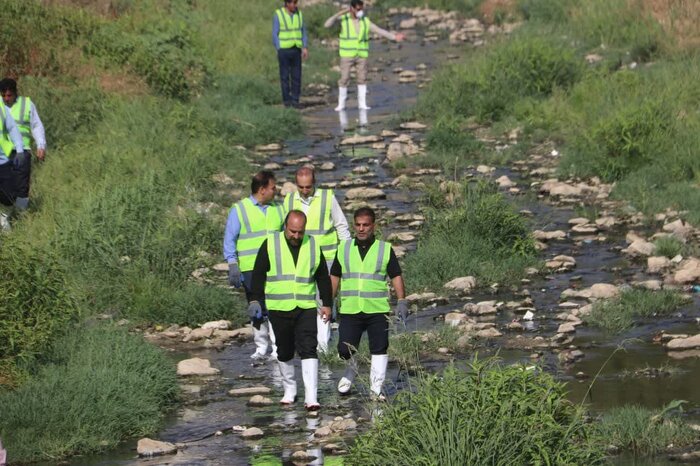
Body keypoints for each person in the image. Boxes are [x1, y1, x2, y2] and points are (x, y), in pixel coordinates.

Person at [249, 210, 333, 410]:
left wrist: (327, 304)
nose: (296, 236)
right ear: (285, 227)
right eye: (292, 231)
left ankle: (311, 397)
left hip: (305, 307)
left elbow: (322, 276)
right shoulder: (270, 244)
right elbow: (258, 274)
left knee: (308, 347)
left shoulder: (312, 244)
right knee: (284, 350)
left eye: (300, 232)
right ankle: (290, 389)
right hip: (279, 307)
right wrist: (255, 300)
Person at [330, 207, 408, 400]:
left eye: (366, 225)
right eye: (358, 225)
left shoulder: (384, 249)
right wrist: (328, 302)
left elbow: (396, 275)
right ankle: (352, 369)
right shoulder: (344, 248)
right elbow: (334, 277)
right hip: (350, 308)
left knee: (379, 347)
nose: (361, 229)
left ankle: (376, 389)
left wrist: (402, 300)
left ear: (374, 226)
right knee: (344, 349)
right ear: (353, 225)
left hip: (377, 309)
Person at [283, 167, 350, 352]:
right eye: (301, 187)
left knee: (324, 299)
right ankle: (306, 338)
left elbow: (341, 226)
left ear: (315, 183)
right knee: (305, 298)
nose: (305, 191)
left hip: (327, 256)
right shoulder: (289, 200)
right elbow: (284, 230)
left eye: (308, 187)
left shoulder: (327, 198)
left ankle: (322, 345)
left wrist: (346, 253)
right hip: (301, 257)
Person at [223, 170, 285, 361]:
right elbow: (229, 239)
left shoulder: (279, 209)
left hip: (275, 266)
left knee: (275, 306)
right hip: (250, 268)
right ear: (262, 189)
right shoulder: (240, 209)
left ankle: (277, 349)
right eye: (273, 188)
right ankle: (260, 348)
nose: (276, 191)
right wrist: (232, 263)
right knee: (256, 308)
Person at [324, 0, 405, 111]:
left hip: (361, 54)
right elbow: (327, 24)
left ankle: (362, 104)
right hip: (347, 54)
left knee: (362, 78)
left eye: (361, 9)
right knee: (344, 78)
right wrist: (342, 12)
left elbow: (379, 31)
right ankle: (341, 104)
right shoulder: (344, 19)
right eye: (358, 9)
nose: (360, 11)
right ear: (351, 8)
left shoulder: (365, 21)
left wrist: (394, 37)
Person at [0, 78, 46, 212]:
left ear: (15, 93)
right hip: (4, 152)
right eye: (3, 95)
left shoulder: (27, 104)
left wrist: (41, 145)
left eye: (9, 95)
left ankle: (20, 218)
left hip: (23, 152)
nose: (6, 99)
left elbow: (36, 126)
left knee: (21, 187)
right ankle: (6, 217)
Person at [272, 0, 309, 108]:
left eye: (296, 2)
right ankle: (287, 101)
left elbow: (303, 31)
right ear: (287, 3)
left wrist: (305, 46)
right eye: (293, 3)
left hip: (296, 49)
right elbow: (275, 33)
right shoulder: (278, 14)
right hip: (284, 50)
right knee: (284, 76)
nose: (295, 5)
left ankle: (295, 100)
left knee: (296, 76)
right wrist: (278, 47)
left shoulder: (299, 14)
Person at [0, 101, 25, 229]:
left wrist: (19, 149)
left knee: (9, 196)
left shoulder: (1, 107)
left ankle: (4, 216)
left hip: (2, 161)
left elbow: (12, 128)